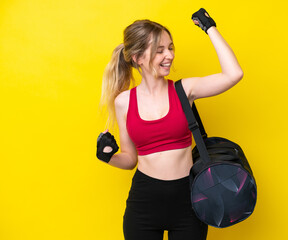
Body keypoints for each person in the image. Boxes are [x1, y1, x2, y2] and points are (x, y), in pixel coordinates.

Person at [96, 8, 244, 240]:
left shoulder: (185, 90)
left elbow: (233, 74)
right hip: (144, 203)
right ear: (138, 58)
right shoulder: (124, 102)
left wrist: (210, 28)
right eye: (160, 50)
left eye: (171, 47)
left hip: (189, 200)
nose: (170, 55)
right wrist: (107, 156)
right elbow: (130, 159)